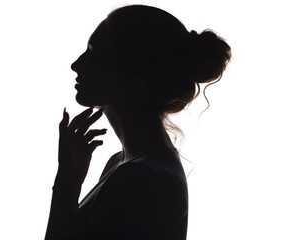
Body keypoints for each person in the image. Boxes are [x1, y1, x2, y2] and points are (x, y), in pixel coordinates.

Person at [45, 4, 231, 240]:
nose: (76, 65)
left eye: (95, 55)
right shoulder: (124, 165)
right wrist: (69, 177)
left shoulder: (141, 179)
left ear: (135, 78)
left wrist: (67, 182)